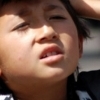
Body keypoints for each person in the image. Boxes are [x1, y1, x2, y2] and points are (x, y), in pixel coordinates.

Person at [0, 0, 90, 100]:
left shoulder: (94, 90)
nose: (48, 32)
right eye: (22, 25)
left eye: (56, 17)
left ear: (79, 43)